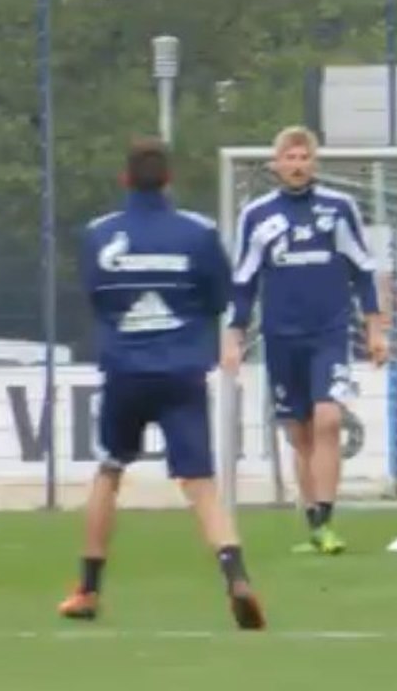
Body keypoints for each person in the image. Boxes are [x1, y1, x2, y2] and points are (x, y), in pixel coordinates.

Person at [59, 137, 265, 630]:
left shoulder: (99, 233)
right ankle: (235, 573)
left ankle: (87, 588)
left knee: (110, 470)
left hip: (126, 371)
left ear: (125, 179)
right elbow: (221, 297)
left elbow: (96, 297)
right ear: (168, 179)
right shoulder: (198, 232)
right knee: (200, 484)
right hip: (181, 371)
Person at [222, 125, 388, 555]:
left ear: (314, 163)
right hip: (280, 337)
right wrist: (233, 336)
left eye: (303, 158)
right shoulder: (256, 216)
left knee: (329, 419)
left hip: (329, 333)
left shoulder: (338, 208)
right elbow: (243, 282)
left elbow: (363, 270)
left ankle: (327, 519)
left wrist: (374, 330)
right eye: (289, 158)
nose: (296, 165)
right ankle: (314, 521)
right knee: (300, 435)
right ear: (276, 164)